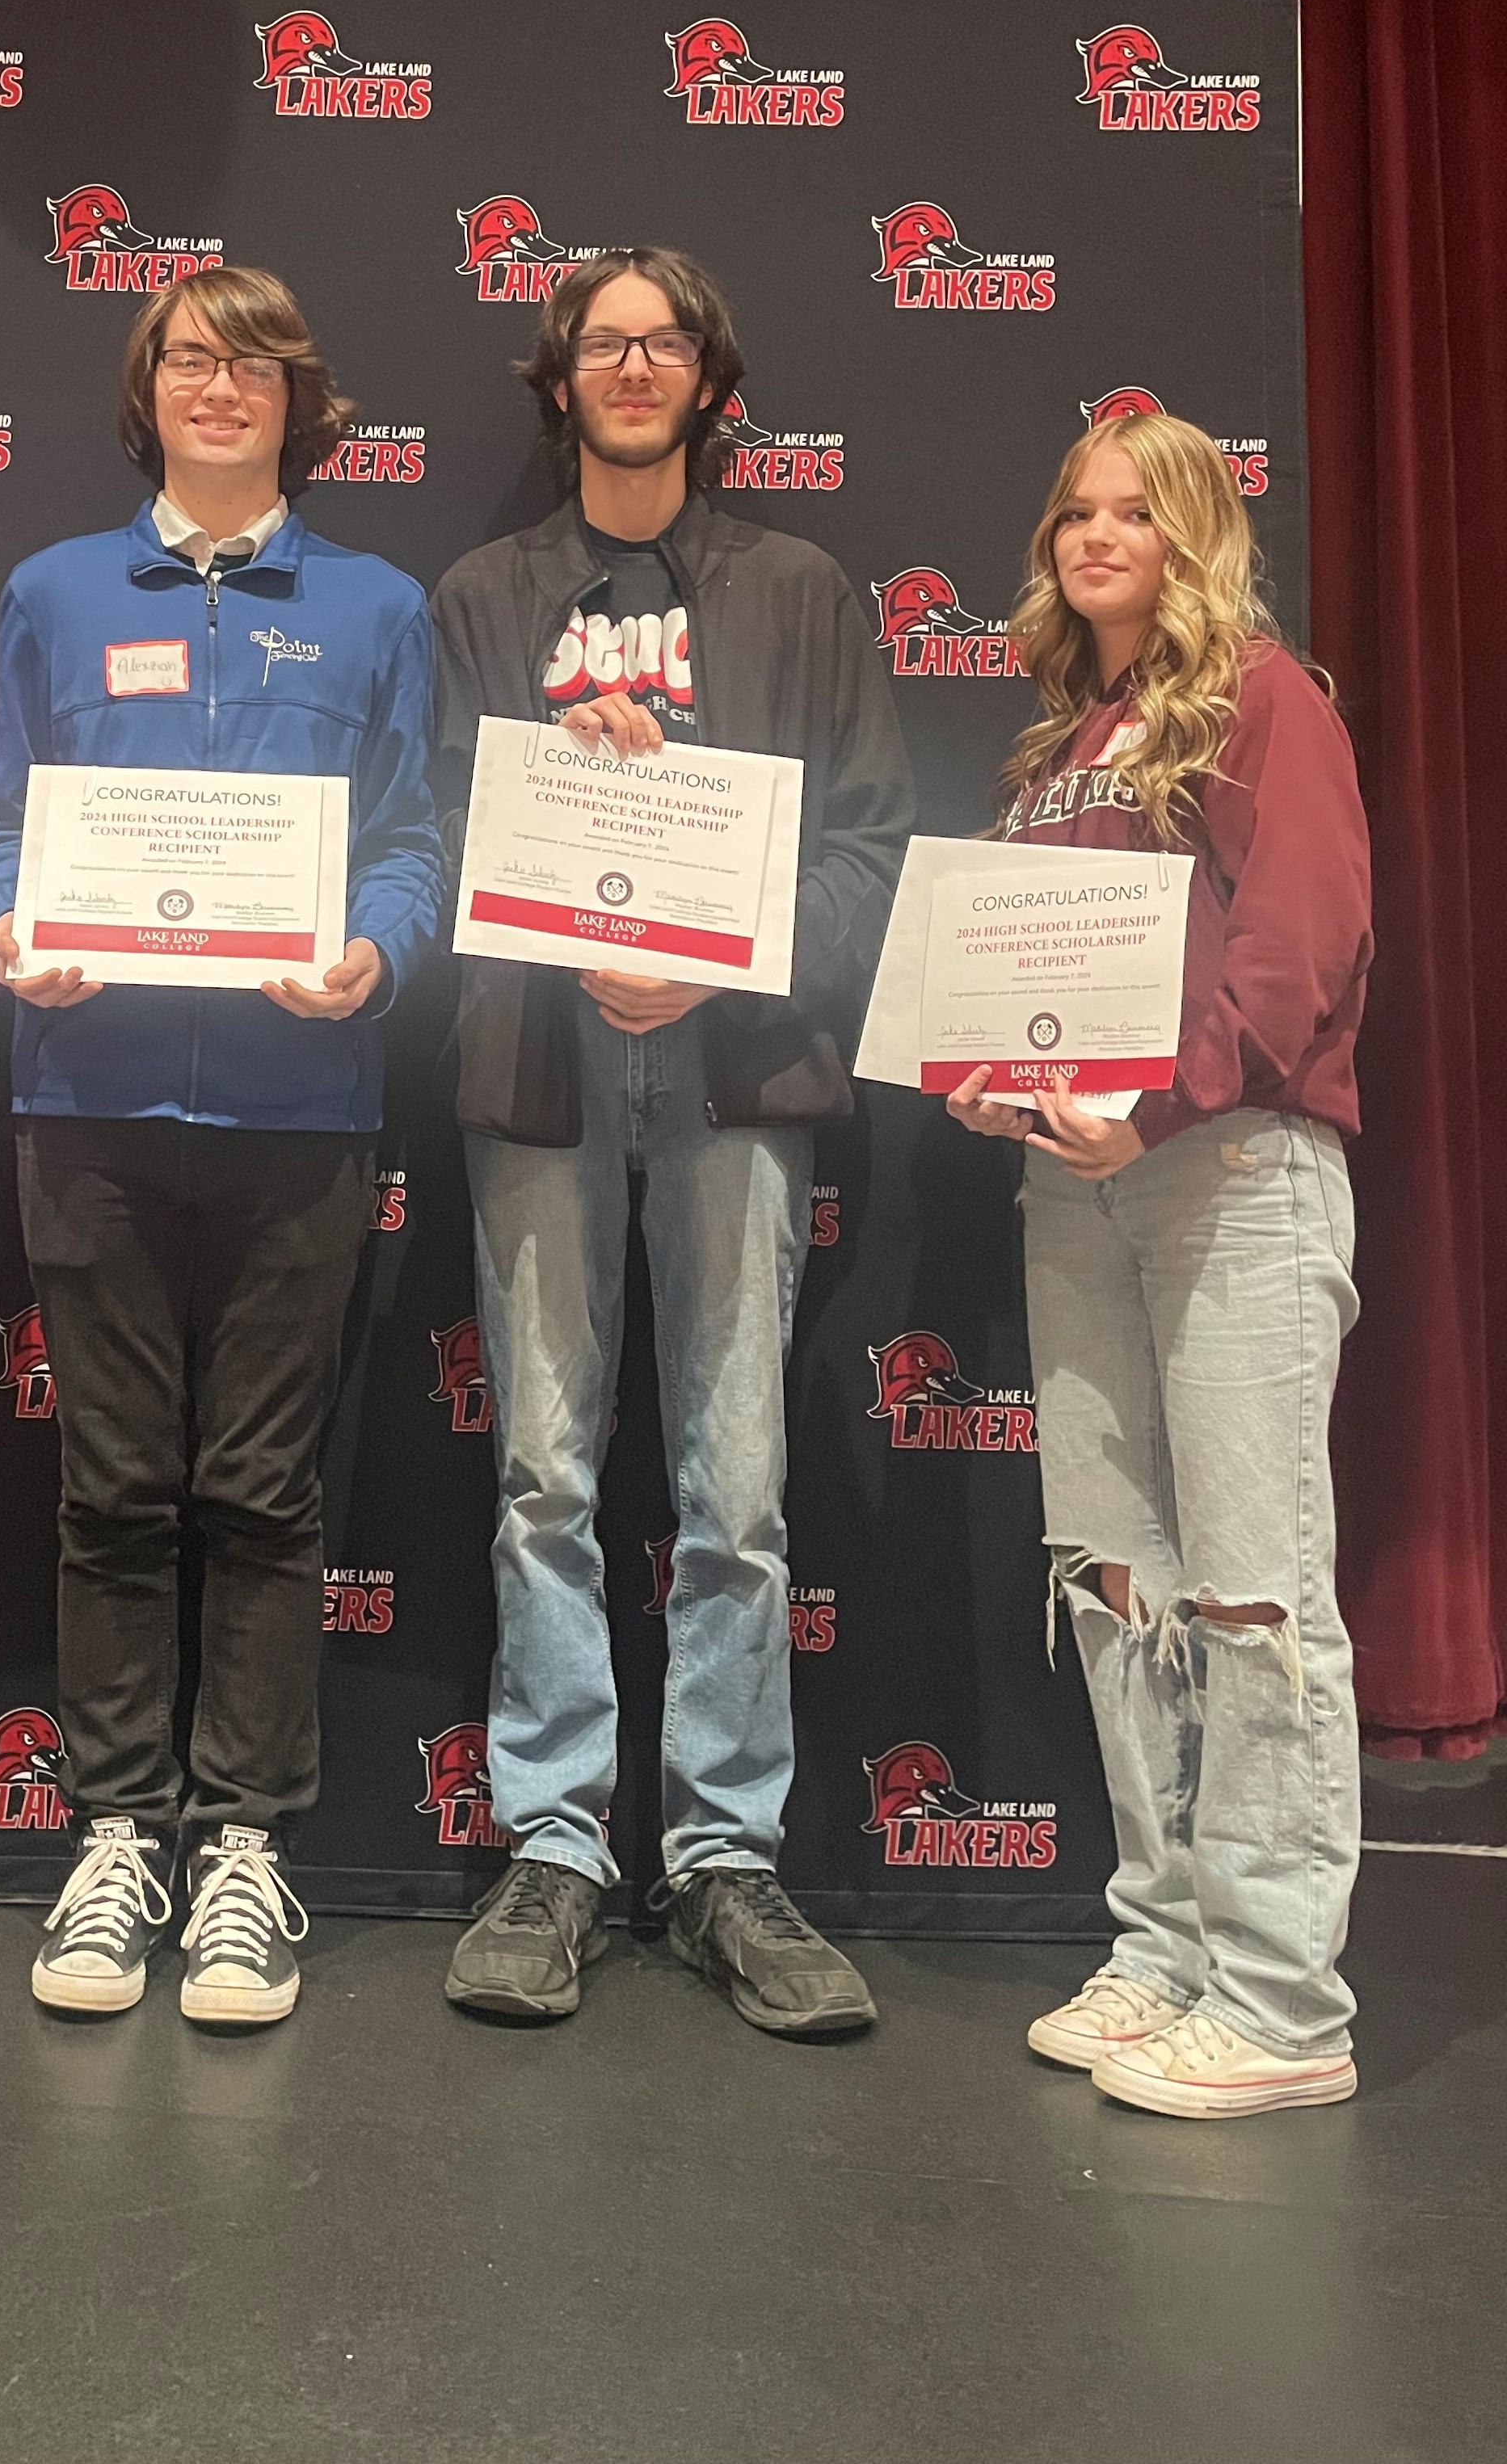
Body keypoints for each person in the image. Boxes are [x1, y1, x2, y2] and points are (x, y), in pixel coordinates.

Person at [433, 248, 912, 2033]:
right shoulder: (485, 594)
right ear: (557, 381)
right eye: (602, 341)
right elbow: (437, 841)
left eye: (666, 339)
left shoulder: (798, 590)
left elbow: (868, 852)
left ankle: (725, 1861)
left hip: (736, 1083)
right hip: (540, 1078)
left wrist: (701, 961)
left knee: (739, 1490)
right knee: (547, 1479)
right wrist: (581, 931)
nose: (634, 365)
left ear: (713, 380)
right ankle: (556, 1847)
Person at [0, 270, 440, 2029]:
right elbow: (1, 817)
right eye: (188, 356)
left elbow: (409, 838)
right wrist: (12, 933)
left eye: (252, 363)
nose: (219, 384)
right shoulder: (56, 592)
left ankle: (241, 1847)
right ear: (147, 388)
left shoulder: (376, 604)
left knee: (261, 1492)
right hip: (85, 1102)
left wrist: (379, 953)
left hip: (299, 1113)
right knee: (111, 1492)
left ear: (297, 401)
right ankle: (115, 1837)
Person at [946, 410, 1371, 2117]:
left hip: (1234, 1173)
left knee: (1254, 1595)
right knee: (1122, 1576)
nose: (1098, 534)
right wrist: (984, 1071)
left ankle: (1283, 2002)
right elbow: (1018, 976)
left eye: (1138, 513)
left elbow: (1302, 947)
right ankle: (1170, 1940)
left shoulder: (1271, 699)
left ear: (1197, 538)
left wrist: (1166, 1095)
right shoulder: (1064, 741)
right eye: (1076, 511)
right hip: (1085, 1187)